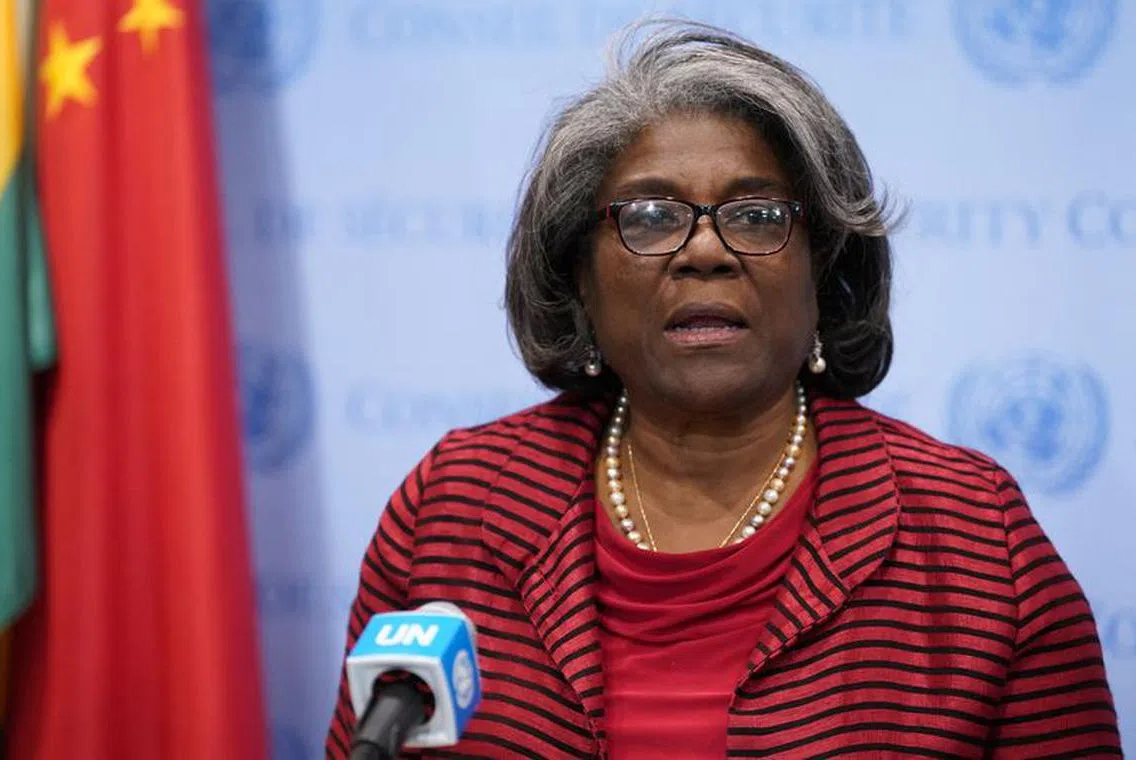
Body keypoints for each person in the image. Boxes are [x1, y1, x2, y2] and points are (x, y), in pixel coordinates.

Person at [326, 21, 1121, 759]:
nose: (704, 251)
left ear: (825, 268)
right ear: (578, 275)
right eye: (648, 215)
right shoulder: (456, 504)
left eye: (757, 214)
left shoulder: (975, 535)